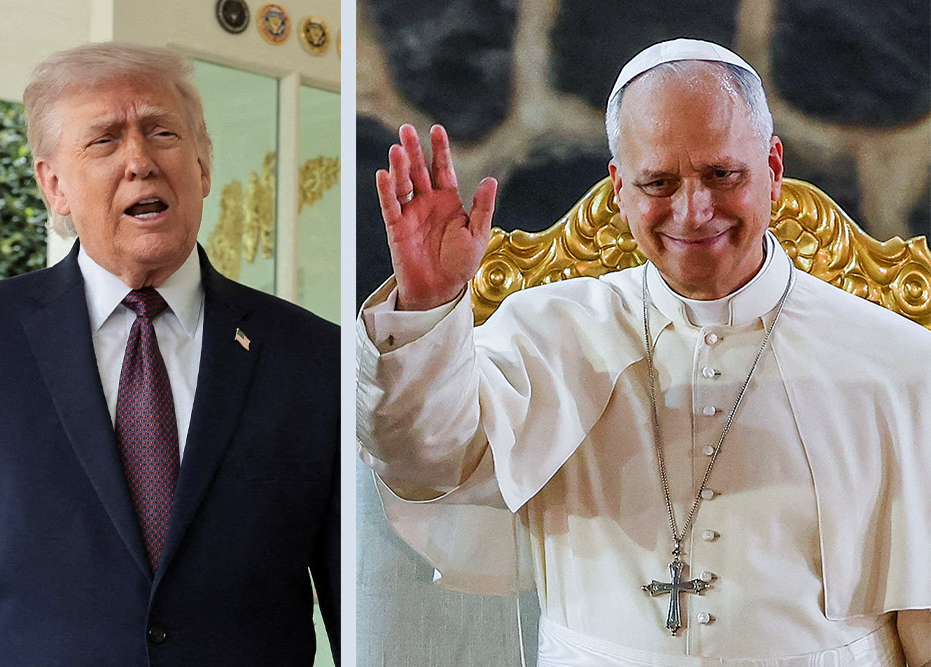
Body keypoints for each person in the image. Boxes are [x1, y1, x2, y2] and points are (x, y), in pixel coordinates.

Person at [356, 38, 930, 666]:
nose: (693, 211)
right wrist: (428, 306)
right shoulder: (549, 333)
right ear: (618, 188)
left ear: (773, 165)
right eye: (657, 182)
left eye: (723, 174)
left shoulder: (899, 364)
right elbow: (422, 462)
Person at [0, 42, 339, 666]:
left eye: (163, 132)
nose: (141, 161)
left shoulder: (314, 358)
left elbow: (355, 604)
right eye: (104, 141)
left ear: (203, 166)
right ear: (54, 184)